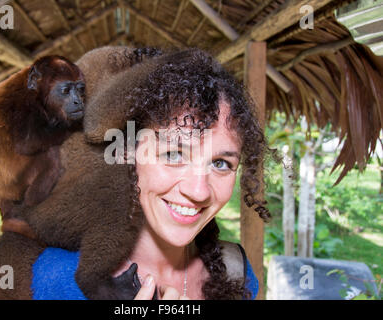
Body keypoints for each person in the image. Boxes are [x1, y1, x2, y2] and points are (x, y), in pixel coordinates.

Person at [31, 48, 270, 300]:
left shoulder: (236, 274)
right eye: (174, 155)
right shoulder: (54, 279)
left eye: (220, 163)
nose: (199, 190)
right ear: (127, 154)